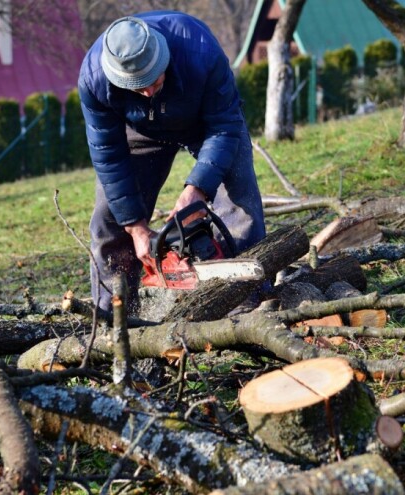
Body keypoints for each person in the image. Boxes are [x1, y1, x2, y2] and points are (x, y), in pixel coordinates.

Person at [78, 11, 266, 313]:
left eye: (153, 80)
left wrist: (198, 189)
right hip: (138, 131)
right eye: (138, 86)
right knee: (108, 221)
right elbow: (109, 157)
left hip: (208, 126)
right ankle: (115, 316)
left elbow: (225, 125)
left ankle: (247, 304)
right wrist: (136, 228)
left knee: (239, 203)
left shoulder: (200, 49)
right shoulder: (93, 78)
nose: (149, 91)